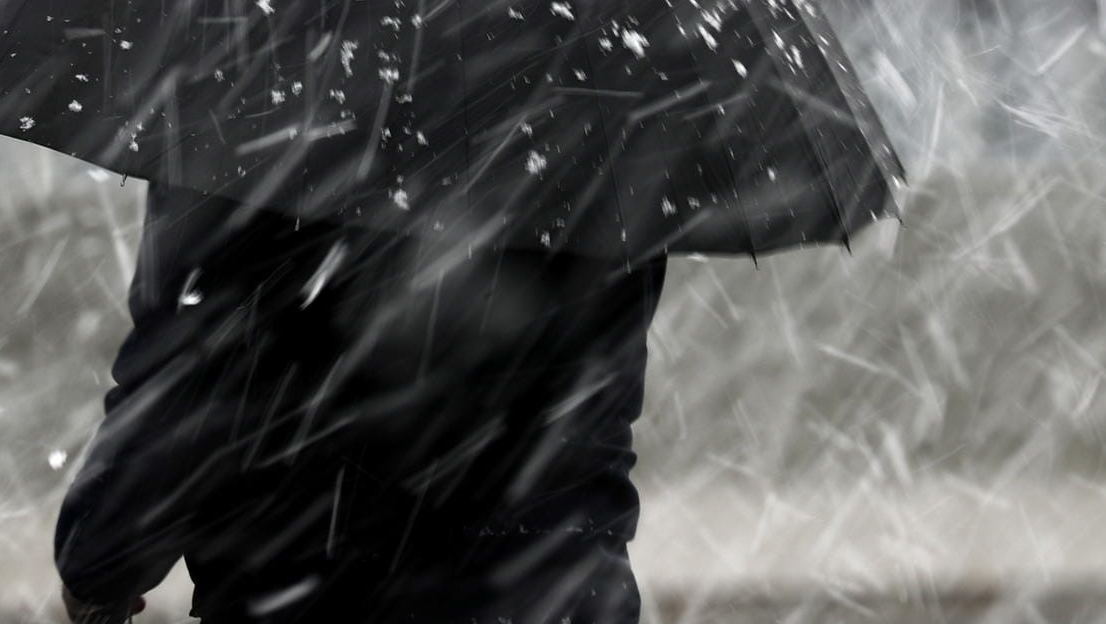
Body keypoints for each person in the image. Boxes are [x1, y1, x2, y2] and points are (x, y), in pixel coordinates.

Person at [54, 180, 668, 623]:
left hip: (313, 585)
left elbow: (192, 369)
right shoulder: (610, 97)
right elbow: (597, 411)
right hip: (553, 590)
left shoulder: (271, 71)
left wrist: (103, 554)